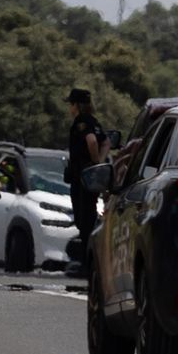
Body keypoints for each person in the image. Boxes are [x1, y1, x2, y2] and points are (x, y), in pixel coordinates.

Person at [64, 88, 110, 273]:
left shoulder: (81, 122)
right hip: (88, 177)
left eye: (71, 104)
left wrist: (95, 163)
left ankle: (87, 263)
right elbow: (106, 142)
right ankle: (88, 261)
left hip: (82, 178)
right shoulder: (94, 121)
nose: (70, 108)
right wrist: (99, 162)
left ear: (76, 105)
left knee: (84, 221)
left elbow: (92, 141)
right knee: (88, 218)